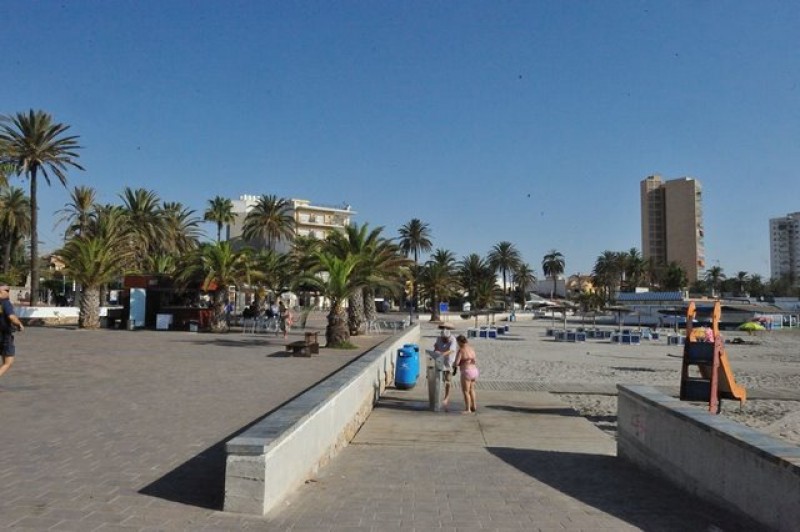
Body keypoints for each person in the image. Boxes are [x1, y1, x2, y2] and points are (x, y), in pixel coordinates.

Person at [0, 284, 24, 379]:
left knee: (4, 360)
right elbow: (12, 317)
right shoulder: (5, 303)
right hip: (5, 336)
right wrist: (19, 324)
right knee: (8, 362)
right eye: (7, 290)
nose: (8, 292)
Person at [433, 325, 458, 410]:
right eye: (443, 338)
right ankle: (437, 396)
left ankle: (446, 397)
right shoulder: (439, 338)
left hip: (449, 362)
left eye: (446, 339)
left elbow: (451, 350)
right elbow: (436, 346)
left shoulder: (453, 339)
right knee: (438, 379)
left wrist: (442, 354)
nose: (444, 340)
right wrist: (436, 350)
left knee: (447, 381)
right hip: (440, 361)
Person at [453, 334, 479, 413]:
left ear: (460, 342)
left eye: (458, 342)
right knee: (472, 389)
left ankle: (468, 409)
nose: (457, 344)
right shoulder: (471, 349)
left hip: (466, 371)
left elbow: (456, 363)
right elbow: (474, 360)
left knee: (466, 391)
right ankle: (474, 406)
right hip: (474, 371)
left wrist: (454, 365)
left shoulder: (461, 350)